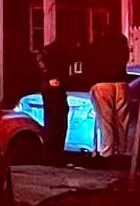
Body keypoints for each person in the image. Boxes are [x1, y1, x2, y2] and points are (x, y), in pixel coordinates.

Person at [38, 32, 82, 164]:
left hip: (53, 87)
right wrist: (51, 79)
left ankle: (52, 154)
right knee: (57, 120)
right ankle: (54, 154)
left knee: (54, 120)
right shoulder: (59, 52)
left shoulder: (50, 51)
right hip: (54, 88)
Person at [87, 29, 132, 159]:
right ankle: (122, 153)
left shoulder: (98, 43)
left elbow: (90, 61)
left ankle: (108, 152)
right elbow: (125, 58)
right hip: (121, 83)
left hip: (102, 83)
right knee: (122, 122)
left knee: (106, 121)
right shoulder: (122, 42)